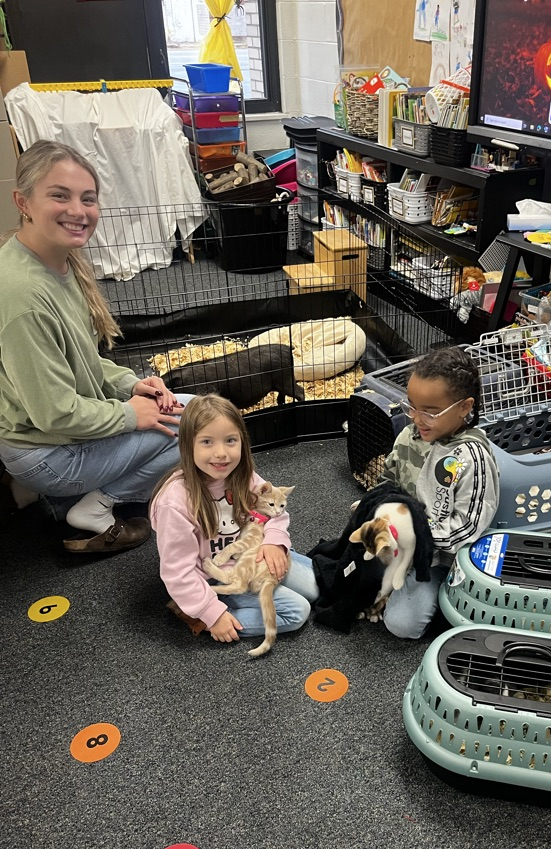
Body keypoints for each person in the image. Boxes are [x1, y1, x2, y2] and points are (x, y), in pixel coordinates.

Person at [0, 139, 189, 554]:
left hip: (49, 436)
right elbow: (54, 412)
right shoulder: (24, 295)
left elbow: (82, 361)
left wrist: (130, 385)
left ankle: (64, 492)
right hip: (46, 450)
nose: (78, 210)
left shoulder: (58, 263)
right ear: (23, 201)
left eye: (88, 199)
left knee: (185, 407)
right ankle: (95, 507)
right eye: (59, 195)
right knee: (194, 428)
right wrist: (128, 416)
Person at [150, 394, 318, 644]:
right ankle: (197, 612)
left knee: (316, 589)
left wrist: (275, 542)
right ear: (188, 445)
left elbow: (275, 514)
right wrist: (211, 615)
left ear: (242, 441)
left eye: (230, 441)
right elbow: (178, 572)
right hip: (214, 575)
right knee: (297, 611)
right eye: (207, 442)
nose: (221, 454)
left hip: (252, 555)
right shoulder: (174, 502)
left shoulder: (243, 476)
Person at [377, 345, 500, 639]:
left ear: (464, 407)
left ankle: (445, 606)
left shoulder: (472, 458)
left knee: (401, 624)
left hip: (441, 558)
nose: (417, 420)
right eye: (411, 407)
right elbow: (388, 480)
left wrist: (415, 536)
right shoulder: (410, 434)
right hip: (400, 543)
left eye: (430, 413)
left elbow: (468, 527)